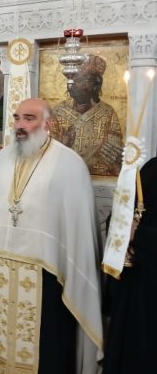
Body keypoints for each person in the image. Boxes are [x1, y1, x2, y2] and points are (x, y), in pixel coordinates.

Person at [0, 98, 103, 374]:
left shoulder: (69, 163)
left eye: (29, 118)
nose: (20, 125)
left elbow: (75, 228)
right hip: (2, 265)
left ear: (47, 124)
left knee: (47, 344)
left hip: (46, 272)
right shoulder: (4, 157)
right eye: (17, 118)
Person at [103, 155, 157, 373]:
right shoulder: (151, 168)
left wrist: (138, 234)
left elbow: (137, 230)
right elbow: (121, 213)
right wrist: (121, 230)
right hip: (137, 287)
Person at [51, 54, 123, 176]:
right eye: (78, 80)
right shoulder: (59, 111)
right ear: (70, 83)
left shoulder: (107, 112)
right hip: (65, 175)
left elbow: (116, 148)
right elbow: (48, 148)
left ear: (95, 85)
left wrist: (102, 148)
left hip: (100, 175)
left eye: (88, 80)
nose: (83, 86)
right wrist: (62, 143)